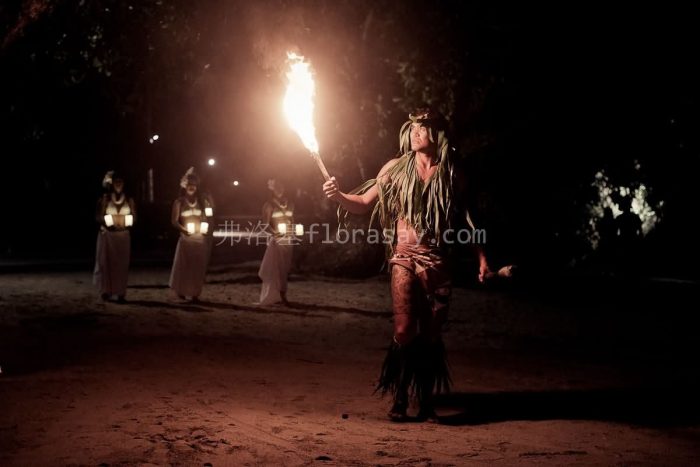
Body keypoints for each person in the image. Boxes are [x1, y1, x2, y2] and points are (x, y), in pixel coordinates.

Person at [323, 108, 491, 422]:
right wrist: (338, 195)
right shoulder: (395, 168)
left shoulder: (453, 172)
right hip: (403, 257)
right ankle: (400, 398)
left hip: (437, 260)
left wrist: (482, 258)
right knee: (403, 329)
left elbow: (468, 220)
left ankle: (425, 401)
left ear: (437, 134)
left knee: (430, 335)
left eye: (423, 128)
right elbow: (361, 203)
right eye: (412, 127)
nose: (415, 133)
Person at [93, 170, 135, 303]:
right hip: (108, 236)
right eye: (116, 181)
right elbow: (98, 216)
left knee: (121, 265)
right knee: (106, 263)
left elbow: (134, 216)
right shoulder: (105, 199)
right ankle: (106, 291)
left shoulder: (129, 199)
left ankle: (120, 292)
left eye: (120, 182)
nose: (118, 184)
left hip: (122, 236)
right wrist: (107, 224)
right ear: (112, 183)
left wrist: (127, 224)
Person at [169, 167, 210, 302]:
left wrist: (205, 225)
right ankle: (182, 290)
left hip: (199, 238)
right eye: (189, 185)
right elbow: (174, 221)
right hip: (186, 238)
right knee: (185, 266)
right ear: (185, 186)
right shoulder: (179, 202)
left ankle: (194, 293)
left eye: (194, 185)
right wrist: (183, 230)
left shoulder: (202, 202)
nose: (191, 188)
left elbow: (208, 217)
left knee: (197, 266)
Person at [258, 178, 295, 306]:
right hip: (276, 241)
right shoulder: (269, 205)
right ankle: (278, 294)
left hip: (288, 240)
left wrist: (294, 231)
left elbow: (292, 220)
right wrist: (275, 233)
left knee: (285, 268)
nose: (280, 189)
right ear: (273, 190)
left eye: (281, 187)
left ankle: (282, 293)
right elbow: (265, 225)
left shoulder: (290, 203)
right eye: (277, 187)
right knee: (276, 269)